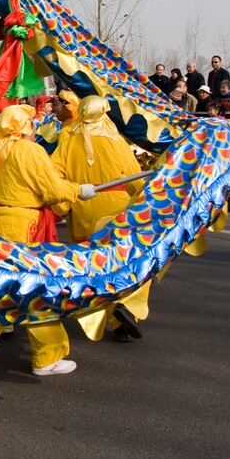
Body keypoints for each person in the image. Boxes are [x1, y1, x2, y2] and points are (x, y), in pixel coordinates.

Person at [0, 104, 93, 377]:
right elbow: (52, 190)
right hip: (24, 227)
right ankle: (47, 356)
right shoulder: (30, 151)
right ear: (26, 127)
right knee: (38, 291)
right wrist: (78, 190)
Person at [51, 95, 150, 343]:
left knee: (92, 265)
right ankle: (122, 307)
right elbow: (135, 178)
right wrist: (143, 199)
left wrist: (60, 207)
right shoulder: (116, 140)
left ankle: (110, 313)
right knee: (122, 261)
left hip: (84, 207)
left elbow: (55, 174)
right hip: (116, 208)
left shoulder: (69, 139)